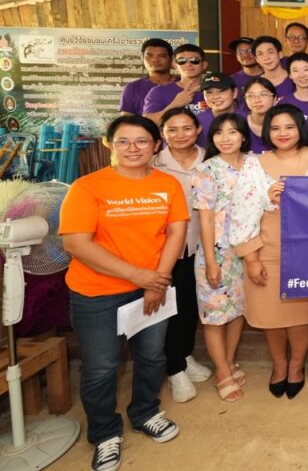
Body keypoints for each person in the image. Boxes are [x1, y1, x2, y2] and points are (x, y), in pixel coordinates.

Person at [60, 115, 189, 470]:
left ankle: (145, 411)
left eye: (142, 141)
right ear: (109, 145)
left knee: (152, 356)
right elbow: (76, 243)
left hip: (153, 287)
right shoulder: (86, 187)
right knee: (102, 367)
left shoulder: (168, 184)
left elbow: (176, 233)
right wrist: (139, 276)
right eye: (123, 141)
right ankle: (104, 433)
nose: (133, 148)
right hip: (97, 293)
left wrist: (158, 281)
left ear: (156, 145)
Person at [230, 104, 308, 400]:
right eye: (275, 128)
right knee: (270, 315)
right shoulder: (255, 164)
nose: (283, 133)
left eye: (289, 127)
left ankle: (296, 366)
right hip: (267, 250)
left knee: (301, 314)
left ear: (300, 128)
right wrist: (251, 257)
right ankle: (279, 365)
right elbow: (242, 213)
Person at [152, 108, 211, 404]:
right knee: (169, 309)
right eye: (172, 129)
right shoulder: (153, 164)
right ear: (163, 133)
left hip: (200, 247)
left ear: (198, 129)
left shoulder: (210, 159)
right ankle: (174, 369)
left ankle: (185, 356)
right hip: (164, 250)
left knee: (189, 306)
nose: (180, 135)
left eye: (186, 128)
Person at [192, 113, 252, 403]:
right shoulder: (207, 170)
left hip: (247, 250)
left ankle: (228, 362)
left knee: (238, 310)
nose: (225, 138)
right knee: (215, 316)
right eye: (219, 133)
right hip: (216, 253)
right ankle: (222, 371)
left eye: (232, 132)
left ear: (243, 136)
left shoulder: (254, 164)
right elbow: (205, 219)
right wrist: (211, 261)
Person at [143, 43, 208, 124]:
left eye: (194, 60)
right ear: (175, 65)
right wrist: (175, 104)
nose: (188, 64)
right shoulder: (159, 91)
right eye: (181, 61)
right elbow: (147, 123)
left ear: (204, 64)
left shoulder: (216, 90)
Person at [120, 38, 176, 116]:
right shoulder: (132, 88)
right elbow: (127, 120)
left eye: (161, 56)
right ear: (143, 58)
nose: (155, 60)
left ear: (171, 59)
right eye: (149, 56)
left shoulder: (185, 84)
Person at [196, 72, 238, 145]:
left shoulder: (248, 119)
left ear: (234, 93)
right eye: (209, 92)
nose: (215, 96)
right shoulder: (197, 121)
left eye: (222, 91)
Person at [241, 77, 277, 154]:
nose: (257, 100)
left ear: (275, 99)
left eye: (263, 94)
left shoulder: (283, 123)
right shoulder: (238, 123)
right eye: (251, 95)